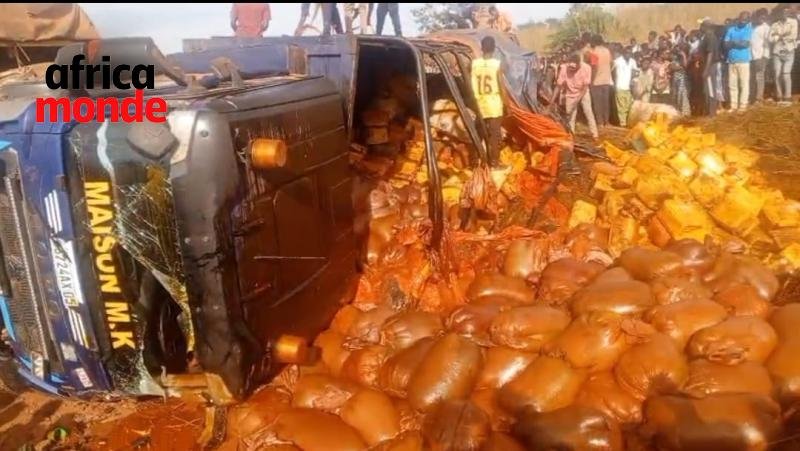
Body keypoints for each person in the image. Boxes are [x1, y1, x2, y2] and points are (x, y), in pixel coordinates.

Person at [471, 36, 504, 167]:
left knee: (478, 133)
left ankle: (474, 161)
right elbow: (501, 86)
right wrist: (507, 103)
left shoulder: (474, 64)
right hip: (494, 103)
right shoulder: (497, 64)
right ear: (494, 48)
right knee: (494, 135)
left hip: (479, 103)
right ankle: (494, 162)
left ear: (481, 48)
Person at [551, 53, 598, 139]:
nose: (572, 70)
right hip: (570, 93)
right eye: (571, 68)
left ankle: (595, 135)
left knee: (588, 112)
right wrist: (551, 102)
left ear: (579, 65)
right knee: (570, 116)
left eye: (574, 69)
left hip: (583, 92)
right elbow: (558, 86)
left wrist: (577, 101)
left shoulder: (587, 68)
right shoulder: (564, 68)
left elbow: (585, 87)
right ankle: (571, 135)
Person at [723, 11, 753, 111]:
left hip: (743, 61)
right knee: (732, 85)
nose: (743, 21)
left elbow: (745, 44)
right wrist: (737, 43)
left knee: (744, 84)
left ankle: (743, 106)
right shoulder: (731, 29)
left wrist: (732, 42)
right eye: (742, 19)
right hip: (731, 61)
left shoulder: (748, 29)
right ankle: (733, 106)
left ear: (748, 20)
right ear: (739, 18)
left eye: (746, 19)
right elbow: (725, 44)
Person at [769, 7, 798, 105]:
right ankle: (779, 95)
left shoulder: (793, 22)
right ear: (779, 13)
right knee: (777, 74)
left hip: (789, 50)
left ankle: (788, 96)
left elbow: (793, 36)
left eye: (786, 12)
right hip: (777, 51)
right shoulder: (774, 24)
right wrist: (781, 36)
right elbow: (770, 39)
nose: (784, 14)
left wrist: (778, 35)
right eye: (782, 12)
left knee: (786, 74)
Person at [588, 34, 613, 127]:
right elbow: (611, 63)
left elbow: (594, 67)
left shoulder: (594, 52)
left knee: (597, 103)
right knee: (606, 103)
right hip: (607, 80)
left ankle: (600, 122)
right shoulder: (607, 51)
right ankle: (606, 122)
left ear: (594, 42)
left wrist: (591, 80)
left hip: (597, 81)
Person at [699, 17, 723, 116]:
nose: (700, 27)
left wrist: (706, 69)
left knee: (710, 90)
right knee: (707, 90)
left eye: (701, 25)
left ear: (705, 26)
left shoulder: (710, 36)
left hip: (711, 66)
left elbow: (710, 54)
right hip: (709, 66)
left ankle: (712, 114)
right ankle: (710, 112)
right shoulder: (707, 36)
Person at [613, 46, 638, 126]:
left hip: (628, 87)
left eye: (630, 53)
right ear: (623, 53)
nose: (628, 54)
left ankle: (626, 121)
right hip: (619, 86)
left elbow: (636, 71)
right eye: (627, 53)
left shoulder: (632, 61)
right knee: (621, 107)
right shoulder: (617, 61)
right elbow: (611, 70)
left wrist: (633, 80)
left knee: (628, 105)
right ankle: (622, 123)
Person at [751, 9, 771, 103]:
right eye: (760, 16)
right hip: (751, 56)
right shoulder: (752, 27)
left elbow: (767, 44)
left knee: (759, 77)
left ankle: (759, 98)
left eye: (764, 17)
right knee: (753, 77)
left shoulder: (766, 28)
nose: (762, 18)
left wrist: (764, 57)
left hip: (760, 56)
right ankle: (753, 96)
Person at [670, 45, 691, 115]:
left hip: (682, 79)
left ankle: (685, 113)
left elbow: (685, 66)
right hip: (676, 79)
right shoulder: (675, 59)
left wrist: (683, 55)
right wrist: (680, 68)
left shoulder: (684, 58)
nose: (678, 52)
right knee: (676, 95)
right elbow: (673, 68)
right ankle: (677, 112)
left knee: (682, 94)